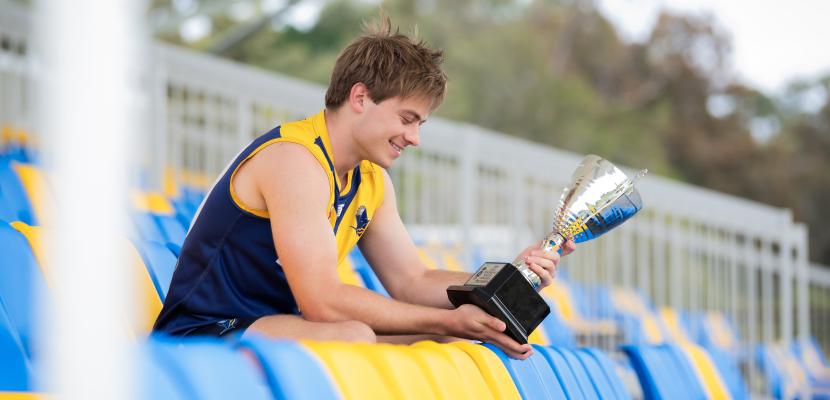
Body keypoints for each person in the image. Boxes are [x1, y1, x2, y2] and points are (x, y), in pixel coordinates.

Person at [153, 16, 574, 359]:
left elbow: (412, 280)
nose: (415, 138)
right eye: (407, 119)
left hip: (274, 328)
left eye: (420, 125)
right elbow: (322, 300)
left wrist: (506, 280)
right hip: (201, 335)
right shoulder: (295, 159)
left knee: (448, 337)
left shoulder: (372, 180)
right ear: (360, 98)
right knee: (354, 336)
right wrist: (447, 318)